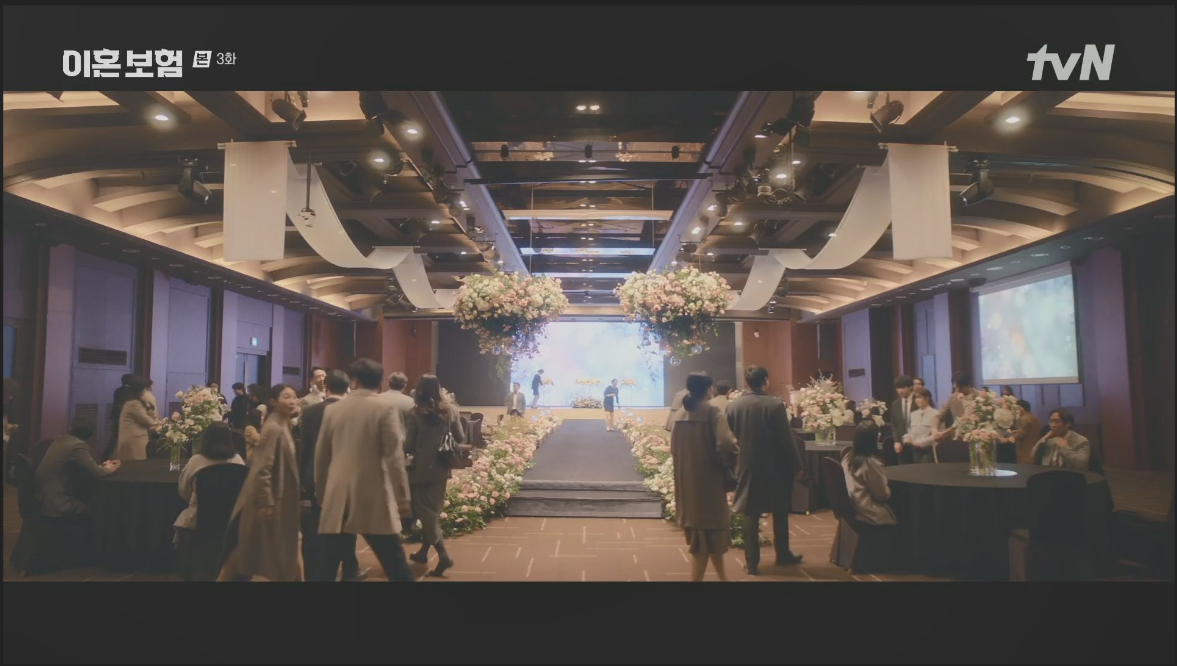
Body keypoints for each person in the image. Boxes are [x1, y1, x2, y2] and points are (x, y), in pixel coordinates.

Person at [315, 358, 415, 583]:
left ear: (354, 381)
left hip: (337, 495)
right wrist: (402, 497)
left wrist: (322, 493)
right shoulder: (384, 408)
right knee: (395, 563)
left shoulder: (333, 410)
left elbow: (321, 457)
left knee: (327, 564)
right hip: (372, 493)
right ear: (380, 382)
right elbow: (394, 457)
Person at [725, 365, 805, 574]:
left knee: (750, 512)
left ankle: (752, 562)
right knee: (780, 510)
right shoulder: (774, 405)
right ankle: (783, 554)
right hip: (775, 466)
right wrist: (797, 466)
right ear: (766, 381)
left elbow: (729, 437)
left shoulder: (734, 406)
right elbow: (786, 440)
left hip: (745, 465)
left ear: (746, 382)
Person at [219, 383, 303, 582]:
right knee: (249, 550)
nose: (292, 401)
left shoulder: (284, 424)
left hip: (276, 497)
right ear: (273, 402)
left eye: (294, 396)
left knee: (255, 549)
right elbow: (262, 467)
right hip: (269, 500)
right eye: (286, 397)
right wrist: (266, 500)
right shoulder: (273, 429)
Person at [669, 372, 738, 582]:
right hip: (710, 481)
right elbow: (727, 444)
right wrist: (730, 464)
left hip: (687, 482)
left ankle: (723, 578)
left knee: (702, 536)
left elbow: (673, 449)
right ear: (709, 390)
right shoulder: (712, 412)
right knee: (710, 534)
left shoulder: (680, 414)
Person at [298, 370, 364, 582]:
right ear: (348, 388)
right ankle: (349, 570)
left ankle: (324, 571)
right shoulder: (356, 412)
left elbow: (305, 449)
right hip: (348, 479)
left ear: (326, 387)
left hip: (318, 479)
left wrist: (303, 478)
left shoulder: (310, 412)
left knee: (322, 526)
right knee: (348, 525)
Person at [404, 374, 465, 577]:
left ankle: (444, 555)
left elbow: (409, 445)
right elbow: (460, 437)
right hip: (442, 467)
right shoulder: (451, 410)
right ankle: (423, 552)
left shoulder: (415, 413)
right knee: (432, 510)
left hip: (421, 469)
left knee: (425, 513)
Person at [173, 423, 244, 547]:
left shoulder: (196, 461)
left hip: (198, 520)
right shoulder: (238, 460)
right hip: (231, 521)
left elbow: (183, 490)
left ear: (205, 439)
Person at [36, 419, 120, 518]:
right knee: (99, 510)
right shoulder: (77, 445)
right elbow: (98, 472)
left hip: (44, 500)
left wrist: (102, 467)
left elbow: (88, 467)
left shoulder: (61, 440)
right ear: (90, 434)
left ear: (70, 428)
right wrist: (110, 468)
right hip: (58, 504)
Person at [842, 421, 898, 526]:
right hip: (869, 512)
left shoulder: (847, 458)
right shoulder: (870, 463)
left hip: (854, 506)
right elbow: (882, 495)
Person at [115, 376, 157, 461]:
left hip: (135, 439)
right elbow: (147, 420)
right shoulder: (133, 403)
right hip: (134, 440)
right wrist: (161, 424)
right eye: (144, 388)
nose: (145, 391)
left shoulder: (135, 401)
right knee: (136, 464)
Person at [899, 388, 939, 464]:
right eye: (916, 398)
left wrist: (919, 443)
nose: (917, 400)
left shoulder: (935, 414)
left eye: (920, 397)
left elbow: (936, 435)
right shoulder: (913, 414)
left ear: (927, 398)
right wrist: (906, 438)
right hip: (915, 450)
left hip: (928, 449)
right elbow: (910, 431)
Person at [101, 374, 135, 461]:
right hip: (126, 419)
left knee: (113, 439)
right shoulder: (130, 392)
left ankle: (104, 457)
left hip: (117, 417)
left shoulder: (118, 390)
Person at [935, 371, 976, 440]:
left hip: (976, 437)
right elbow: (940, 416)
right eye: (955, 386)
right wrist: (934, 429)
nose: (957, 390)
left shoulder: (980, 397)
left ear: (968, 385)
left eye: (960, 387)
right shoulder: (952, 398)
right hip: (958, 438)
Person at [1011, 399, 1042, 464]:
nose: (1015, 412)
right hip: (1035, 451)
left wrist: (1005, 439)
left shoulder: (1024, 419)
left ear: (1021, 409)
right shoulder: (1034, 418)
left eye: (1016, 409)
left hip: (1025, 453)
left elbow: (1019, 435)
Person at [889, 376, 916, 450]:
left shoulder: (918, 401)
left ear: (910, 387)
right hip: (901, 445)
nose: (900, 391)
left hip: (917, 443)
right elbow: (894, 425)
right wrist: (896, 441)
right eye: (898, 388)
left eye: (903, 388)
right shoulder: (895, 404)